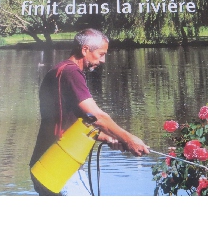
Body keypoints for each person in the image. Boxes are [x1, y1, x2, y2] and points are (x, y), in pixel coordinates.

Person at [29, 29, 149, 195]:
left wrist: (107, 138)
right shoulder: (71, 73)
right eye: (101, 54)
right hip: (60, 165)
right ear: (85, 50)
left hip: (45, 165)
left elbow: (71, 125)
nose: (103, 60)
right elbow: (97, 117)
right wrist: (129, 139)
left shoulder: (58, 70)